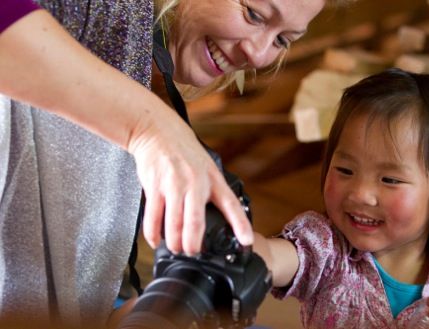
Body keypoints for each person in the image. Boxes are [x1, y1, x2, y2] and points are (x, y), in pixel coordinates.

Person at [0, 0, 347, 327]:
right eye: (254, 14)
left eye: (282, 40)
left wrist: (169, 307)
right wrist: (150, 127)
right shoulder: (109, 13)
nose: (257, 55)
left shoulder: (133, 66)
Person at [253, 68, 429, 329]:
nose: (360, 194)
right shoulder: (325, 251)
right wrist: (245, 246)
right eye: (345, 170)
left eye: (390, 180)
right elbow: (273, 258)